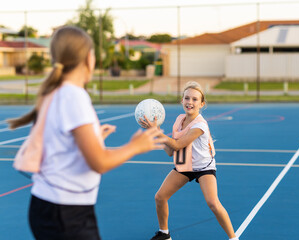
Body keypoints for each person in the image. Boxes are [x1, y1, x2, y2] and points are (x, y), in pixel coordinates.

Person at [7, 26, 164, 240]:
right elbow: (99, 162)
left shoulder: (57, 92)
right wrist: (135, 146)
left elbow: (61, 146)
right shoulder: (74, 96)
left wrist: (94, 137)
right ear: (89, 58)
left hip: (51, 207)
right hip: (65, 212)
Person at [141, 82, 238, 240]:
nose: (190, 102)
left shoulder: (200, 125)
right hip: (184, 166)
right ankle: (164, 234)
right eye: (187, 98)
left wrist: (157, 132)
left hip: (203, 168)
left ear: (202, 104)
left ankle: (233, 238)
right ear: (181, 100)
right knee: (160, 197)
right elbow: (170, 151)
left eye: (194, 99)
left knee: (213, 202)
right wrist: (157, 132)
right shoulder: (179, 120)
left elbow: (179, 144)